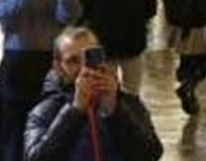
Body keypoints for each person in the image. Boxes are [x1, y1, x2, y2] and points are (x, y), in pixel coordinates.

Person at [23, 27, 164, 161]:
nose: (84, 68)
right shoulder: (44, 111)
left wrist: (114, 112)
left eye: (90, 58)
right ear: (58, 67)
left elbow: (151, 154)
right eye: (73, 61)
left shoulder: (127, 102)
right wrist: (75, 111)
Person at [0, 0, 81, 161]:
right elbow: (8, 13)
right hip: (16, 72)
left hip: (45, 69)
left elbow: (70, 15)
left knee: (46, 130)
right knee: (15, 133)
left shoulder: (50, 2)